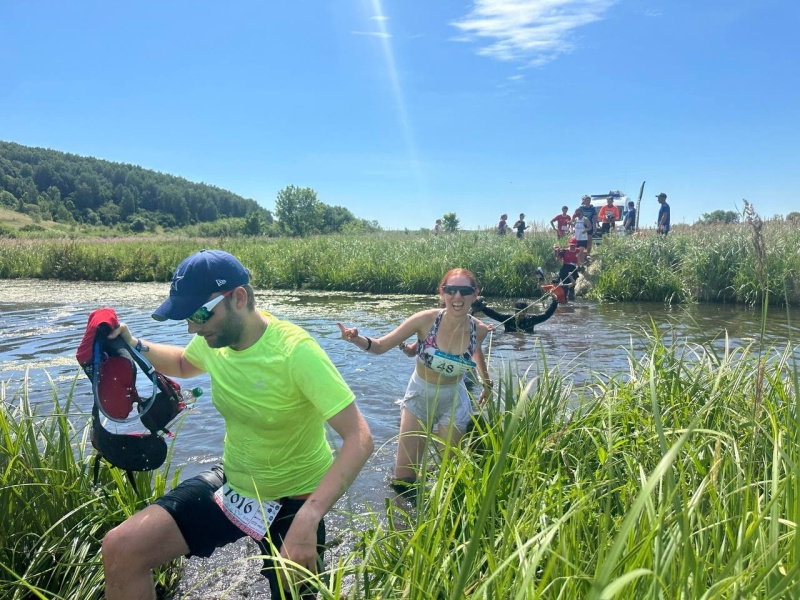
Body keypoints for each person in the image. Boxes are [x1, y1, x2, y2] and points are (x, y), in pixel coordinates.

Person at [101, 250, 374, 600]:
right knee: (121, 548)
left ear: (239, 298)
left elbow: (359, 438)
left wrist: (310, 517)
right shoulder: (215, 339)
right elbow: (183, 363)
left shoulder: (296, 352)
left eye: (199, 314)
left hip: (295, 500)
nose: (192, 328)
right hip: (235, 484)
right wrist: (133, 344)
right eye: (187, 317)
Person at [337, 268, 491, 492]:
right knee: (403, 478)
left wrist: (486, 382)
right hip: (419, 396)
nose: (457, 296)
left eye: (464, 291)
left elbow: (476, 353)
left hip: (454, 400)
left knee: (447, 476)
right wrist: (356, 339)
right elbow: (380, 346)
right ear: (442, 292)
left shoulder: (480, 330)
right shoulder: (424, 320)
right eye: (451, 290)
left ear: (475, 294)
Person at [471, 294, 558, 333]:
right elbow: (494, 314)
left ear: (526, 311)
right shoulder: (508, 319)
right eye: (517, 311)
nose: (520, 314)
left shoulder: (531, 320)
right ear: (514, 311)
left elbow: (546, 315)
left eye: (522, 312)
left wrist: (555, 301)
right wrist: (482, 308)